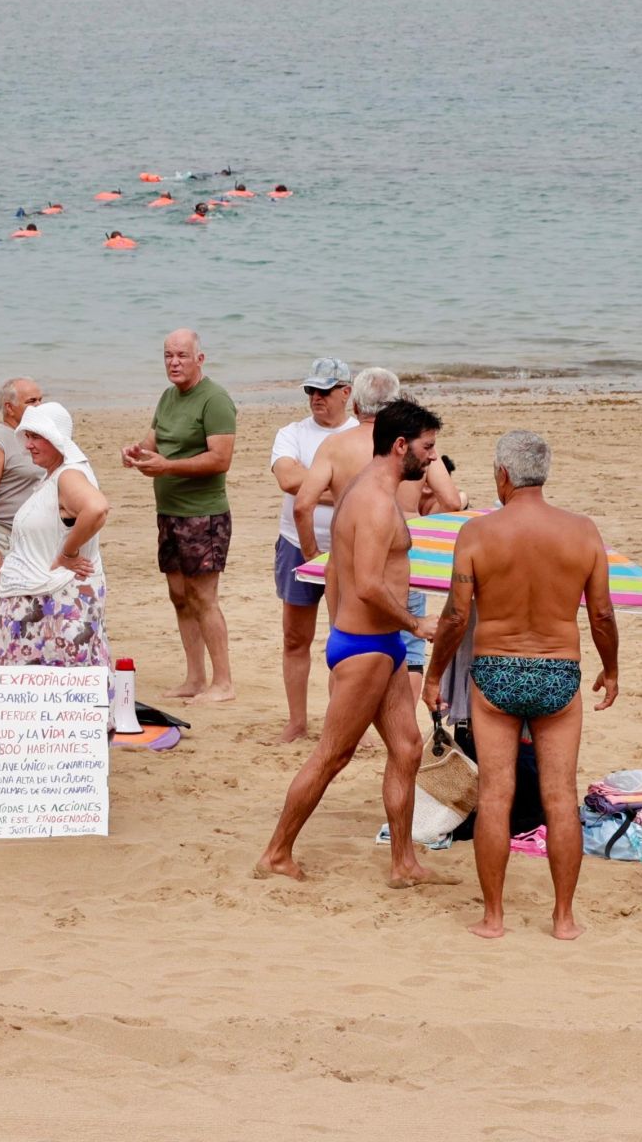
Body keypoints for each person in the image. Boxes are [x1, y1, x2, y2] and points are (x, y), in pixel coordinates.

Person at [422, 430, 620, 941]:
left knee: (495, 797)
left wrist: (434, 674)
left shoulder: (477, 534)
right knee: (561, 797)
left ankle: (493, 917)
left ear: (503, 475)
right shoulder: (582, 531)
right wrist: (611, 668)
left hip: (496, 672)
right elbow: (601, 613)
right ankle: (563, 919)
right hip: (558, 672)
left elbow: (455, 616)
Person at [255, 400, 450, 888]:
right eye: (427, 447)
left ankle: (404, 863)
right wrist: (416, 624)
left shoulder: (365, 489)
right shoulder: (376, 503)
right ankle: (276, 853)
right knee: (332, 755)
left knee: (407, 748)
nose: (433, 458)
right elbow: (367, 584)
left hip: (377, 642)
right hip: (366, 647)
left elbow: (339, 571)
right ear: (401, 445)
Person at [293, 367, 461, 675]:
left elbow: (303, 505)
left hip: (346, 567)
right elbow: (451, 501)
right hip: (400, 561)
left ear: (356, 406)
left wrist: (313, 557)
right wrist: (424, 534)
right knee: (409, 657)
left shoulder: (336, 446)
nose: (432, 454)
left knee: (348, 659)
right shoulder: (410, 448)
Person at [122, 329, 236, 702]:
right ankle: (195, 678)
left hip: (203, 515)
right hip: (168, 512)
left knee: (203, 596)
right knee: (179, 595)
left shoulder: (215, 399)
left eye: (182, 355)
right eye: (168, 355)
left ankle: (224, 683)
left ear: (199, 359)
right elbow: (152, 444)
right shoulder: (168, 397)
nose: (174, 362)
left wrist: (168, 467)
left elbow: (220, 459)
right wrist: (135, 453)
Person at [0, 404, 113, 671]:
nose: (28, 445)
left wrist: (68, 553)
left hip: (57, 606)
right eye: (27, 437)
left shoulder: (68, 475)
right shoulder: (55, 475)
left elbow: (97, 508)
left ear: (56, 438)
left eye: (36, 437)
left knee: (59, 684)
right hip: (41, 603)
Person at [270, 359, 355, 741]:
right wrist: (341, 490)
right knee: (295, 637)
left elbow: (374, 486)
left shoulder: (360, 435)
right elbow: (289, 480)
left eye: (324, 390)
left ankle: (345, 721)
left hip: (348, 547)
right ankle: (297, 721)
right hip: (296, 543)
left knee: (347, 639)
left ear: (346, 392)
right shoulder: (292, 433)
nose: (316, 398)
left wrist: (316, 487)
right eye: (311, 391)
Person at [0, 377, 48, 591]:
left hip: (41, 539)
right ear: (9, 408)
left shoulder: (39, 436)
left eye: (40, 400)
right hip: (8, 539)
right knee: (13, 607)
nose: (39, 406)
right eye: (31, 401)